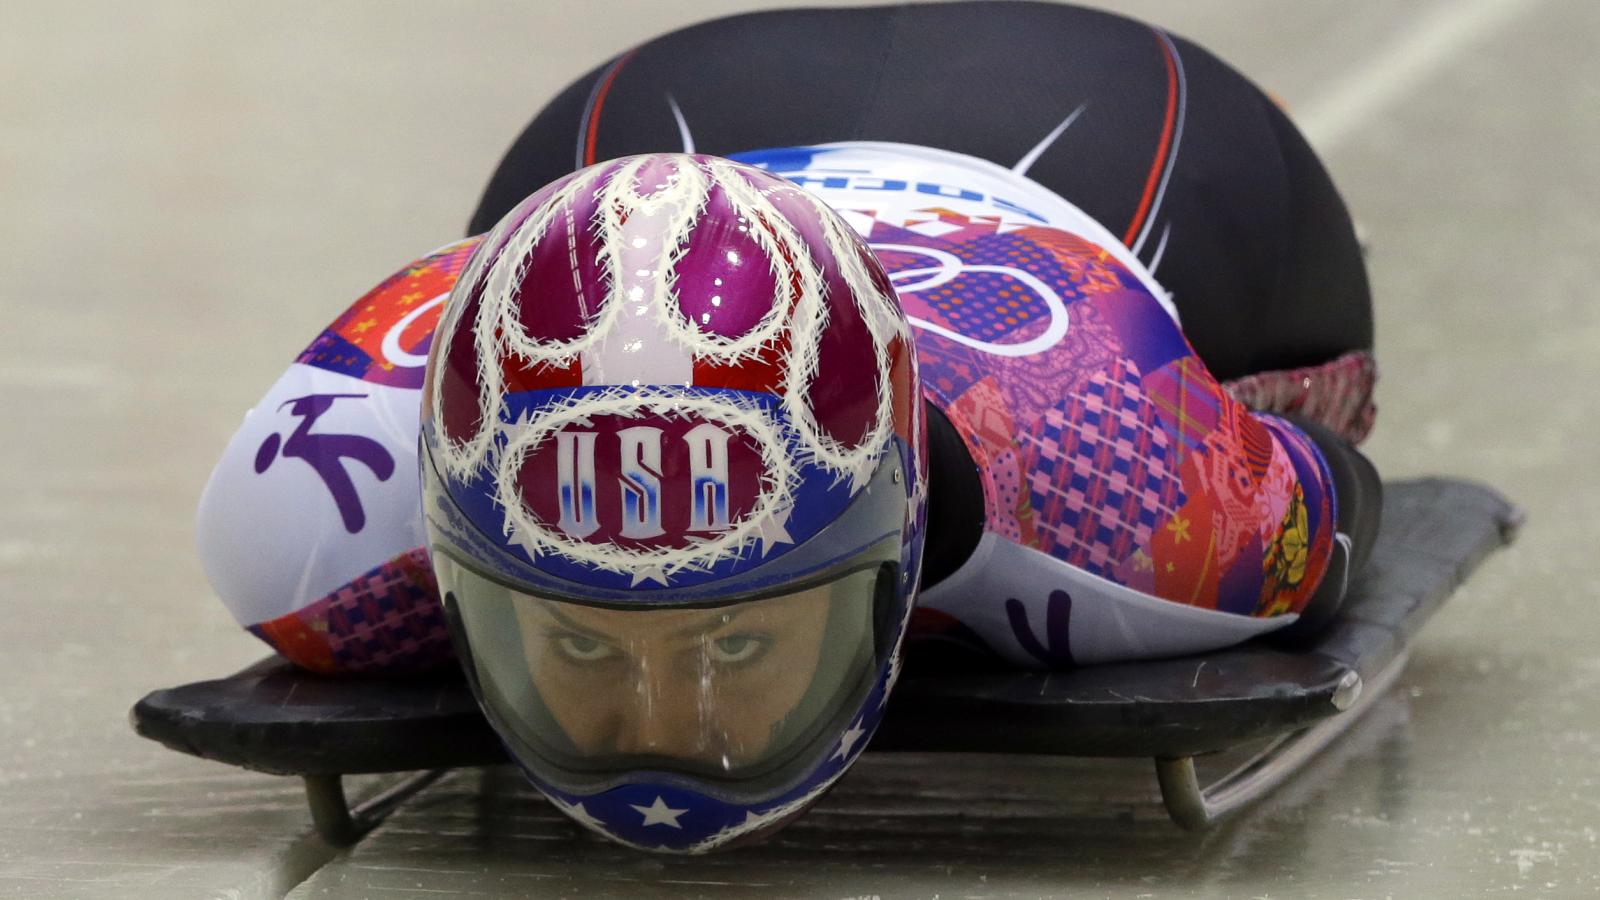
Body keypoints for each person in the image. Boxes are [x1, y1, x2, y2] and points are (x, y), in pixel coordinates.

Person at [194, 2, 1380, 851]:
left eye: (736, 643)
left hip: (1126, 142)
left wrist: (1263, 476)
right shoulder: (299, 515)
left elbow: (1336, 482)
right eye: (582, 644)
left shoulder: (1120, 478)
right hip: (647, 141)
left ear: (895, 537)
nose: (660, 731)